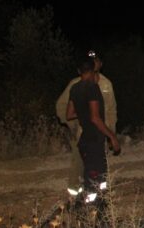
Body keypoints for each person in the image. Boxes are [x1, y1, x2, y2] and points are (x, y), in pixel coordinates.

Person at [56, 50, 118, 198]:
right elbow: (62, 107)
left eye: (96, 60)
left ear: (100, 64)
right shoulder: (76, 84)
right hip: (84, 133)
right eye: (91, 60)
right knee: (79, 166)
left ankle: (101, 197)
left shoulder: (106, 84)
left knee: (99, 168)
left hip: (101, 133)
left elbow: (111, 110)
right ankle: (75, 198)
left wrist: (111, 134)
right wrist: (74, 126)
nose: (94, 62)